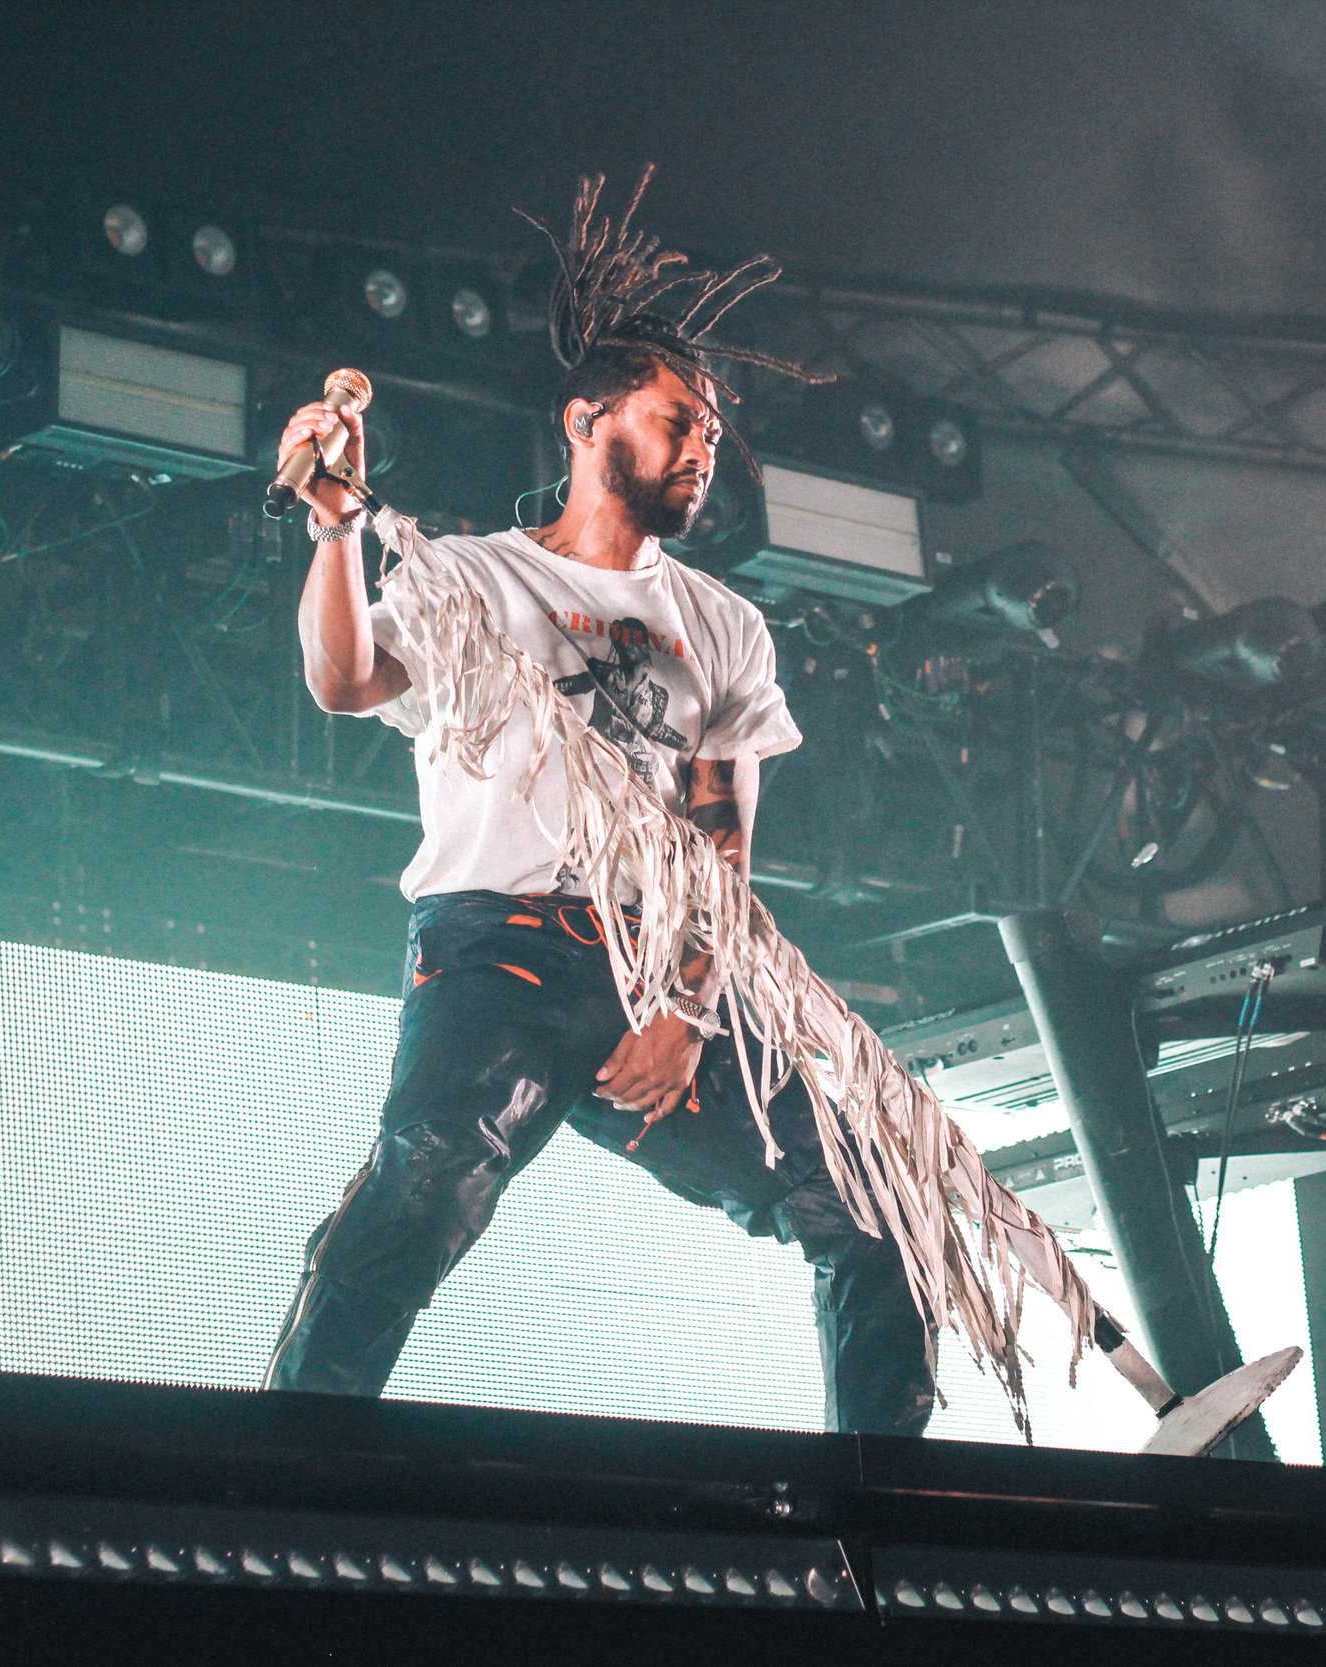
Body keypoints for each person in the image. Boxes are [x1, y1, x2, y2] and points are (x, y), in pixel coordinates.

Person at [260, 173, 938, 1436]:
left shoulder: (721, 625)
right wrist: (335, 526)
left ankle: (883, 1526)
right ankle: (287, 1471)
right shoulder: (472, 577)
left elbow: (718, 842)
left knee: (877, 1203)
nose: (700, 448)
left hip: (660, 970)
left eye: (712, 436)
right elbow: (348, 678)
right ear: (588, 422)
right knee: (424, 1195)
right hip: (497, 952)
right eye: (677, 420)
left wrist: (682, 1007)